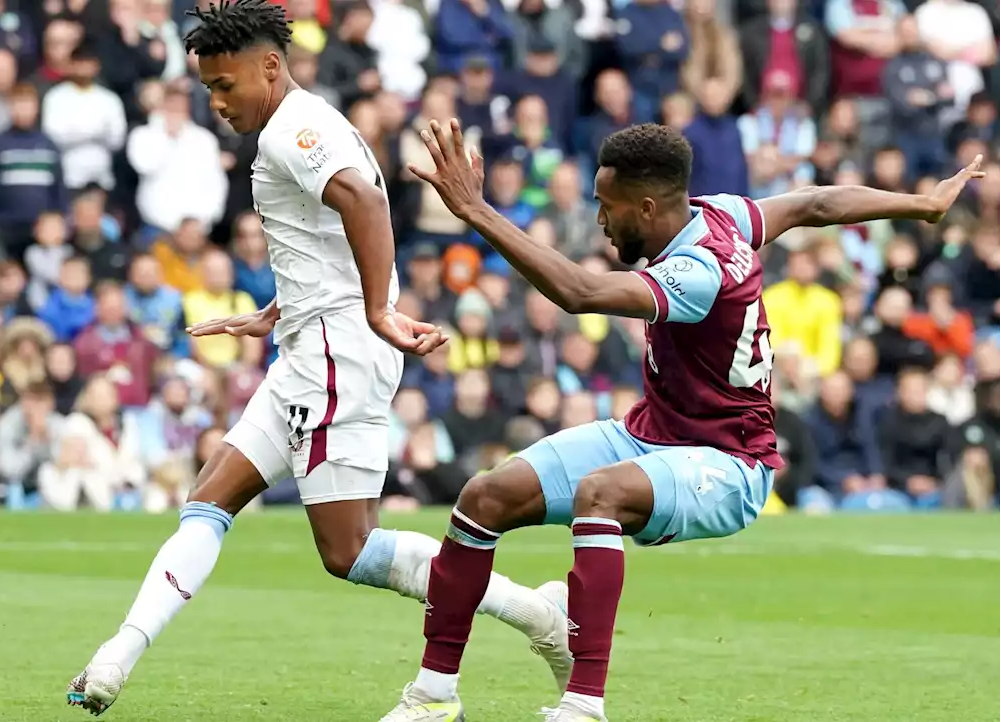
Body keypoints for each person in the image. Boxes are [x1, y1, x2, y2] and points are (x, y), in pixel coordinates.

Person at [380, 119, 984, 722]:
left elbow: (581, 294)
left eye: (605, 206)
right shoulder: (721, 214)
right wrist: (923, 204)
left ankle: (584, 706)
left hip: (728, 463)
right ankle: (434, 698)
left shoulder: (700, 270)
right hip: (651, 433)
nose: (599, 219)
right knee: (483, 497)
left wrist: (477, 211)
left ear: (645, 208)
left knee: (600, 494)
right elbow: (816, 202)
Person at [65, 1, 570, 716]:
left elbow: (364, 201)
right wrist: (278, 309)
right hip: (310, 341)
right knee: (210, 499)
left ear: (270, 66)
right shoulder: (303, 122)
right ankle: (116, 657)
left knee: (350, 551)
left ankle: (541, 616)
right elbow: (327, 231)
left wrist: (373, 310)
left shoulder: (293, 130)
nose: (216, 102)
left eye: (225, 85)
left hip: (336, 351)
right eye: (207, 88)